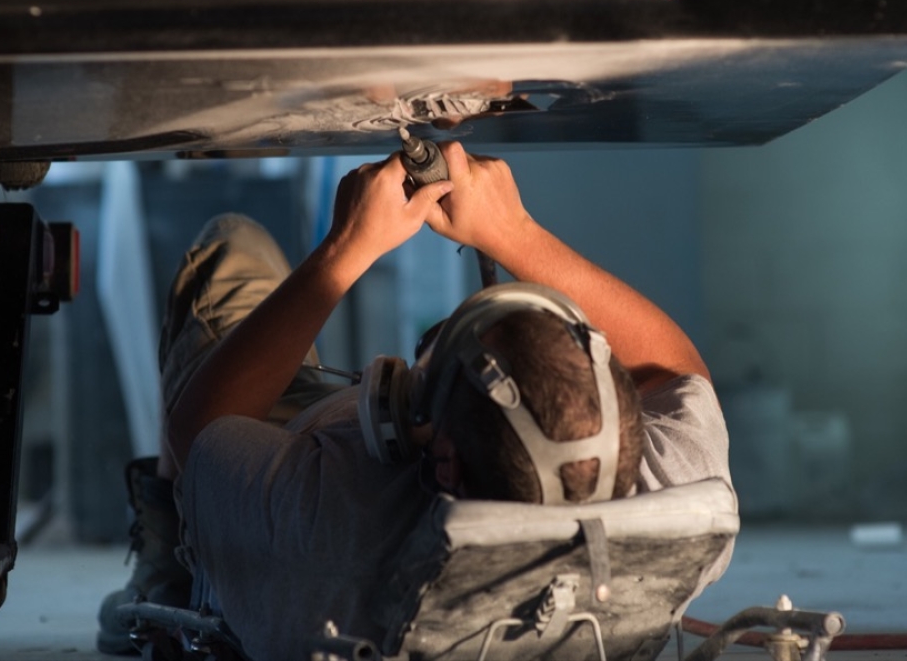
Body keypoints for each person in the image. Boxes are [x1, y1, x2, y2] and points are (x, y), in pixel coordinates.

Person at [97, 141, 734, 658]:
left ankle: (166, 559)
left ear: (438, 458)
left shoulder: (322, 526)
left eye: (430, 362)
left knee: (231, 244)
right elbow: (674, 373)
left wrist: (346, 250)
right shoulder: (675, 495)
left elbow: (201, 432)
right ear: (615, 417)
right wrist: (513, 235)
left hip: (284, 437)